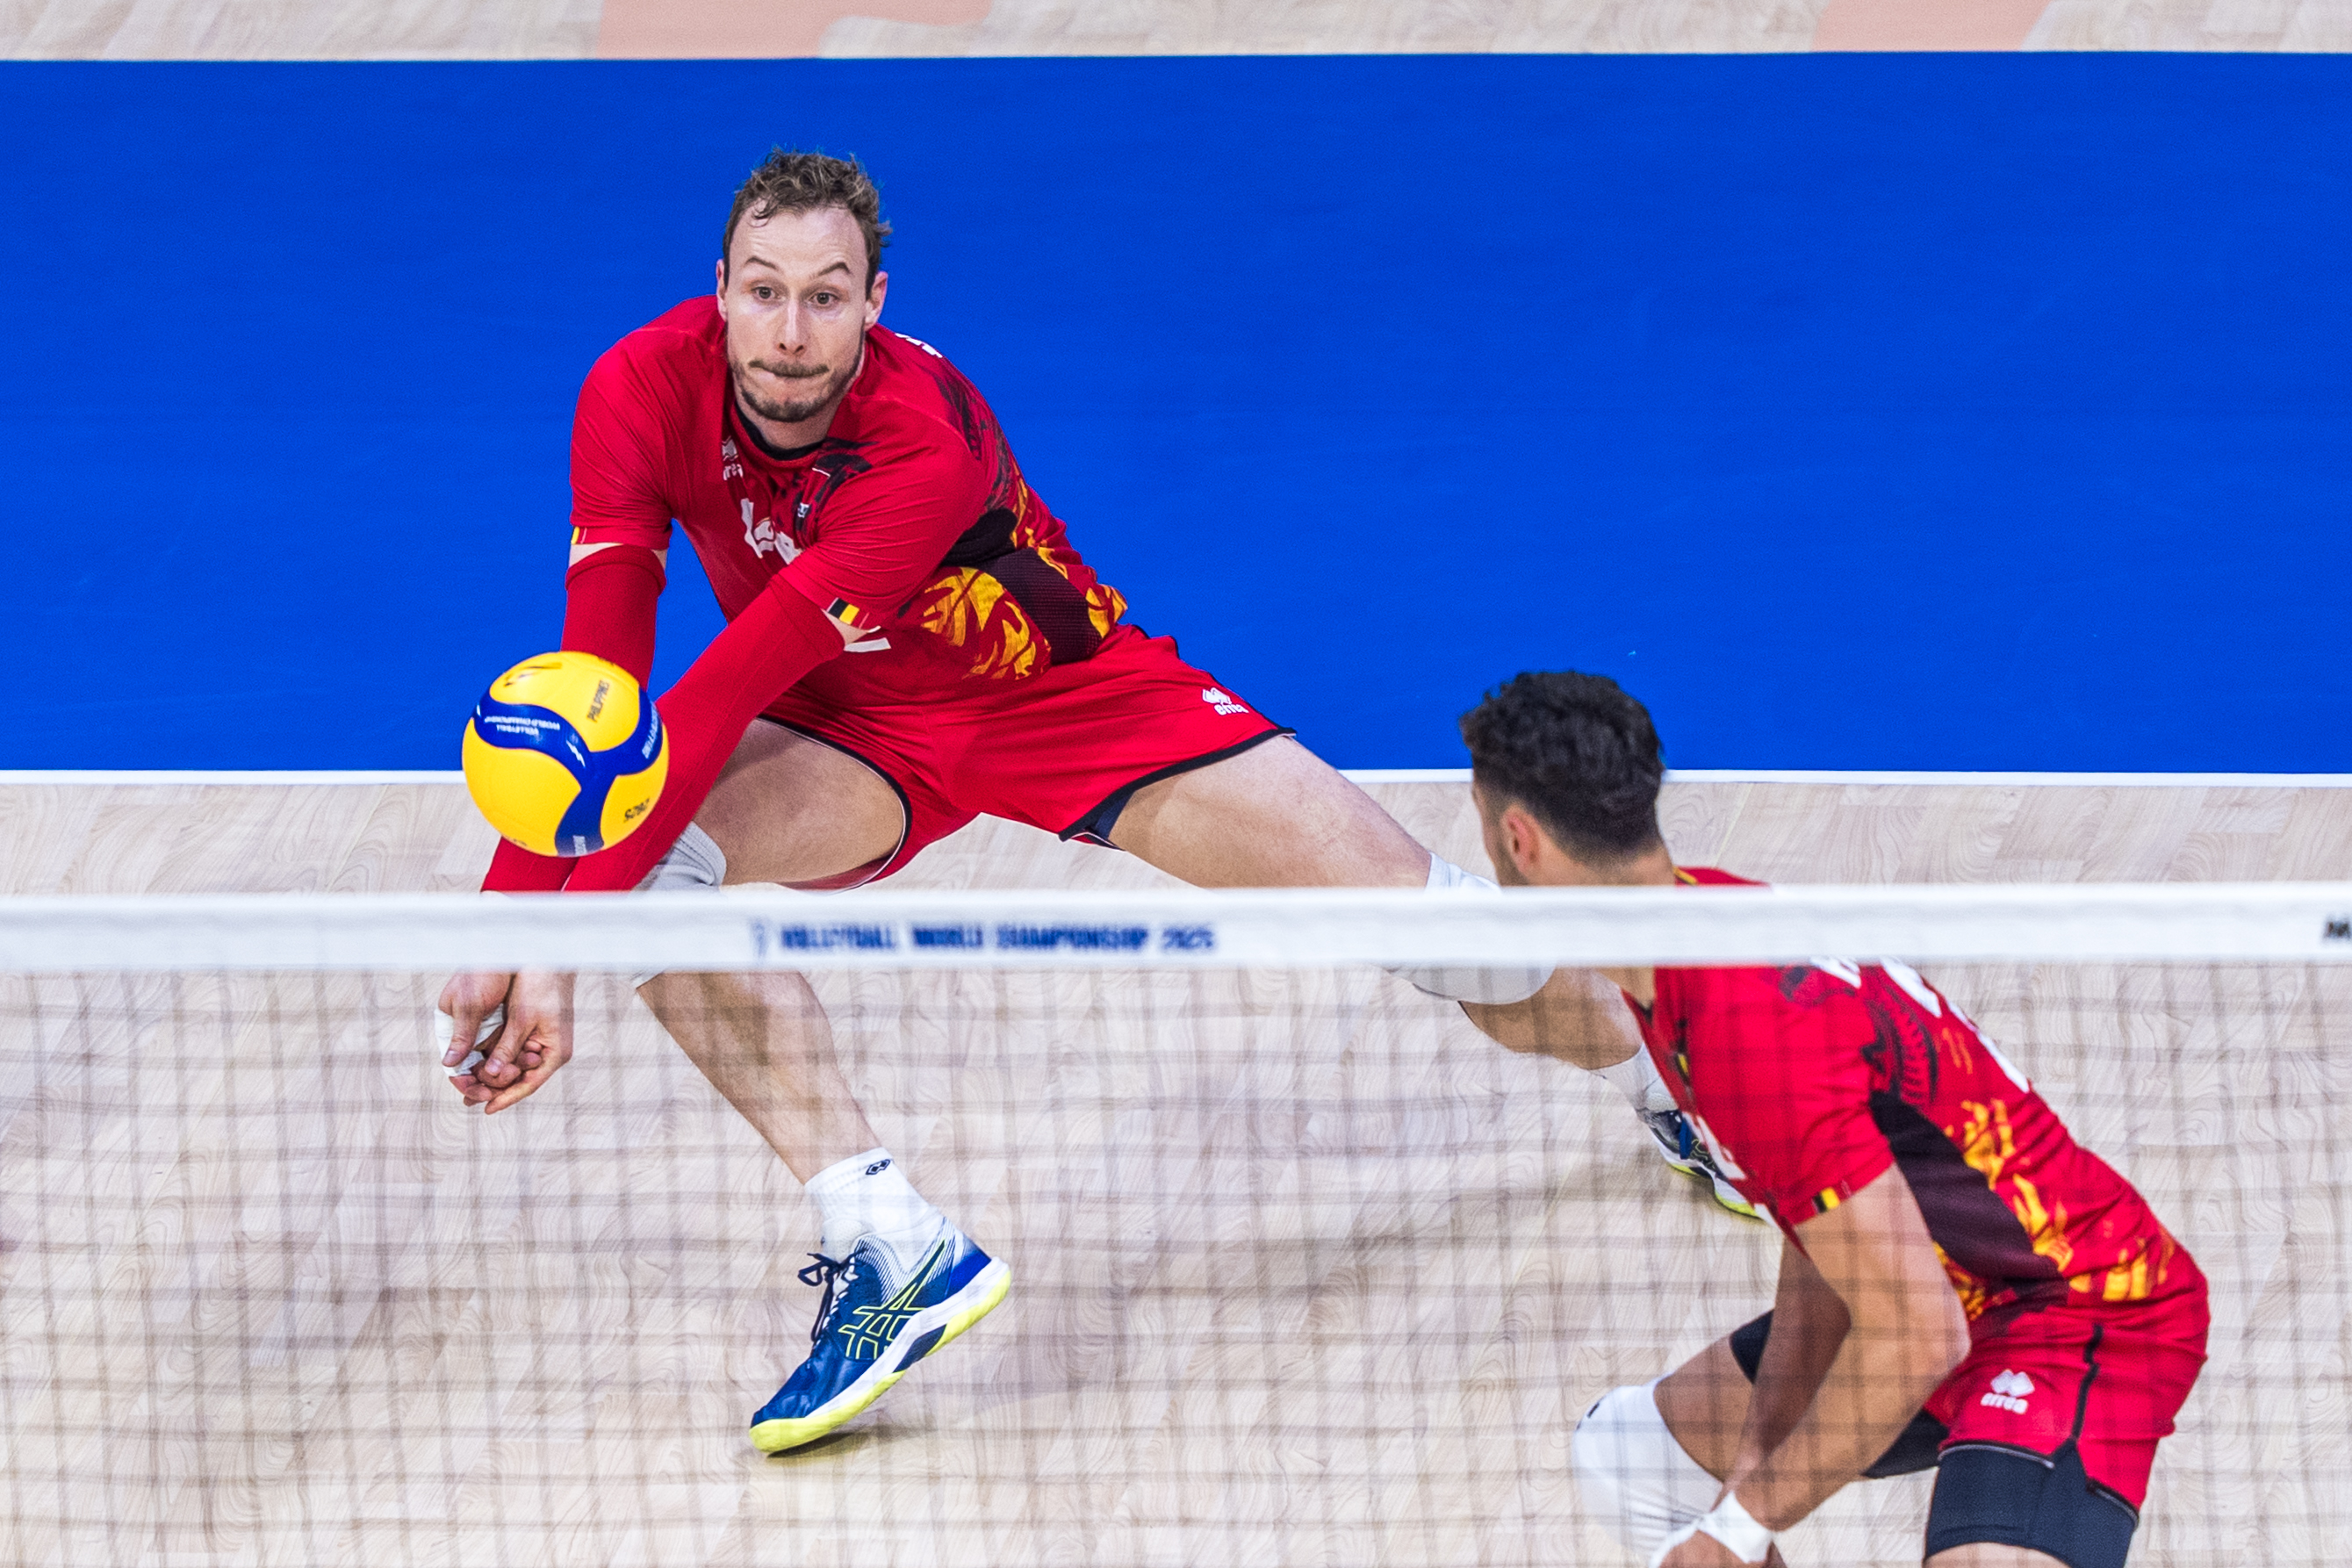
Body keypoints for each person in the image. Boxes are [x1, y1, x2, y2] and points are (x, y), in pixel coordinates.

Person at [430, 151, 1702, 1455]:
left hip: (1068, 699)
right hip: (847, 722)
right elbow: (605, 696)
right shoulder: (639, 388)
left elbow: (709, 698)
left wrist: (557, 953)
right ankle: (888, 1237)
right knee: (644, 882)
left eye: (826, 296)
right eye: (763, 291)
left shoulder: (916, 440)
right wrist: (506, 922)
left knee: (1432, 931)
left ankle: (1672, 1072)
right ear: (718, 289)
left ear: (876, 302)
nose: (791, 330)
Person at [1459, 671, 2209, 1568]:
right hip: (1922, 1290)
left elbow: (1920, 1333)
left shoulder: (1748, 1024)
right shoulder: (1682, 939)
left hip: (2076, 1312)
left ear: (1518, 838)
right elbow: (1824, 1230)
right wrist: (1746, 1482)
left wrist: (1738, 1528)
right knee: (1631, 1461)